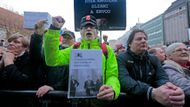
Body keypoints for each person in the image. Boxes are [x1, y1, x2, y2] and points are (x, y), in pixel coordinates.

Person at [43, 15, 120, 106]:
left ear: (97, 31)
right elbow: (52, 60)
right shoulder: (74, 49)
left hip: (100, 100)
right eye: (85, 27)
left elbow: (112, 75)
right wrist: (54, 29)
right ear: (80, 32)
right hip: (78, 102)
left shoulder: (106, 50)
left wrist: (112, 88)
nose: (88, 29)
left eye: (91, 27)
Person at [117, 29, 185, 107]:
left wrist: (168, 88)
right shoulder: (121, 58)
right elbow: (124, 80)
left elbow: (161, 77)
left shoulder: (154, 59)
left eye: (145, 39)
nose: (143, 41)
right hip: (129, 101)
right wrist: (151, 91)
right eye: (139, 39)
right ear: (129, 43)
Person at [0, 33, 38, 107]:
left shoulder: (30, 60)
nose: (11, 43)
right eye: (10, 41)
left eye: (16, 42)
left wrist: (9, 63)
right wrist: (1, 62)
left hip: (21, 102)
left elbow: (22, 82)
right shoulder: (3, 57)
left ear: (25, 47)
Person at [163, 42, 190, 106]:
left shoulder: (185, 67)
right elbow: (186, 87)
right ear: (169, 55)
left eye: (186, 50)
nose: (184, 52)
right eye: (179, 50)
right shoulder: (168, 69)